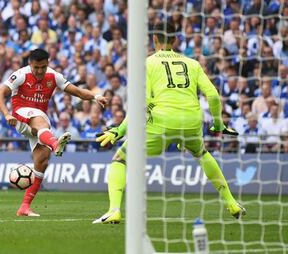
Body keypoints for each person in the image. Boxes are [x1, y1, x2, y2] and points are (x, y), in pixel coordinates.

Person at [92, 23, 246, 224]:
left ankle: (114, 210)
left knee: (120, 159)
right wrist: (218, 124)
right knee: (202, 154)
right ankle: (232, 203)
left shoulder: (148, 63)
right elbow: (214, 96)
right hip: (191, 121)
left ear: (154, 38)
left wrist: (119, 131)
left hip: (162, 121)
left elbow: (142, 103)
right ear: (175, 40)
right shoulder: (193, 63)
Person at [0, 48, 107, 216]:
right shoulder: (21, 75)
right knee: (41, 123)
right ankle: (55, 143)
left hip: (39, 121)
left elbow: (77, 91)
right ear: (30, 64)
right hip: (20, 114)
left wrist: (96, 97)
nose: (39, 71)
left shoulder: (54, 76)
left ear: (48, 64)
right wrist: (6, 113)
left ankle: (24, 207)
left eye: (43, 67)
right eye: (36, 67)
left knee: (42, 162)